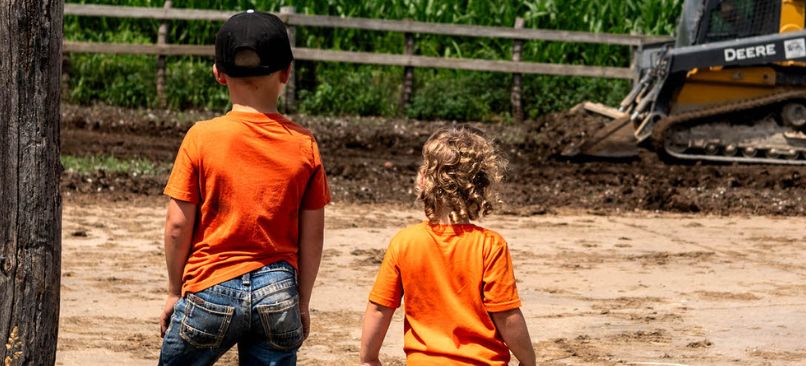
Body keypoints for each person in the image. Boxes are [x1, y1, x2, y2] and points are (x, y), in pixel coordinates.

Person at [158, 10, 329, 366]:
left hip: (210, 287)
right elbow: (312, 237)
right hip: (278, 292)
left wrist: (175, 291)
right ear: (287, 72)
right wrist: (301, 302)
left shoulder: (201, 137)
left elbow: (177, 226)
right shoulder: (304, 144)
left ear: (218, 73)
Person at [357, 127, 537, 366]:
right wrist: (528, 361)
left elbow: (380, 308)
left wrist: (369, 358)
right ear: (479, 185)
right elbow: (506, 315)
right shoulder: (490, 245)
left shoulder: (405, 242)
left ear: (423, 180)